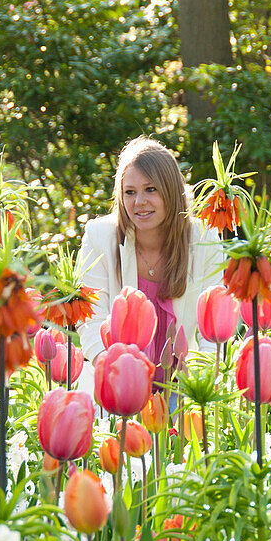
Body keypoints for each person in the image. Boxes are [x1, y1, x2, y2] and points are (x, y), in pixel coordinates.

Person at [78, 137, 224, 381]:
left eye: (151, 189)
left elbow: (216, 324)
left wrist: (202, 381)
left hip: (184, 386)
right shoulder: (99, 236)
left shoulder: (204, 238)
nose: (139, 202)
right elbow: (90, 318)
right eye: (130, 192)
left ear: (171, 190)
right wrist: (112, 373)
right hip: (119, 382)